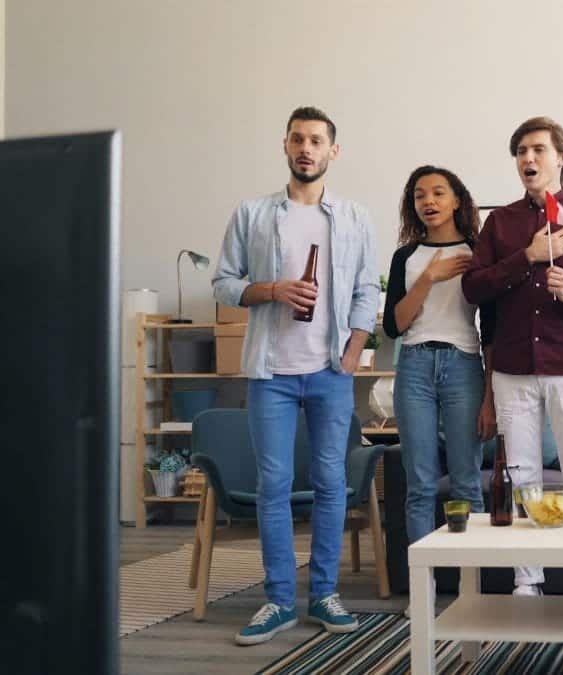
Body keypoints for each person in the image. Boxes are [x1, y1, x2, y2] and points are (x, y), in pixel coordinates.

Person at [212, 106, 378, 645]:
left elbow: (365, 291)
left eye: (317, 141)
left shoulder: (354, 217)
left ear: (334, 151)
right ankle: (279, 600)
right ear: (285, 146)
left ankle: (324, 594)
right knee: (273, 486)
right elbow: (223, 282)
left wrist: (355, 347)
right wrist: (272, 290)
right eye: (298, 139)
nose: (307, 148)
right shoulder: (253, 213)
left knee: (332, 483)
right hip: (270, 372)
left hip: (330, 370)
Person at [461, 116, 563, 597]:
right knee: (523, 478)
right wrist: (528, 258)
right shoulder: (500, 223)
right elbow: (473, 288)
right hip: (512, 370)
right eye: (520, 152)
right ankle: (527, 582)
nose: (528, 159)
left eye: (537, 150)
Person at [383, 165, 497, 548]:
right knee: (420, 485)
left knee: (467, 482)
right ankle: (423, 591)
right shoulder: (407, 257)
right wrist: (429, 277)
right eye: (419, 195)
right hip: (414, 365)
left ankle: (475, 588)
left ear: (457, 200)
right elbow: (394, 325)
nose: (428, 201)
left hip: (464, 365)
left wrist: (490, 399)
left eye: (437, 193)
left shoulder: (478, 251)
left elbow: (492, 330)